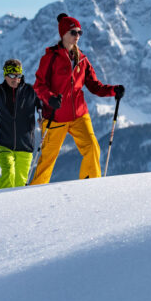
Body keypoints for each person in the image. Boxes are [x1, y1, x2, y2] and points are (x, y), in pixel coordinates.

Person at [29, 13, 124, 184]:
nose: (77, 36)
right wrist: (50, 99)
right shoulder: (50, 58)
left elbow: (95, 86)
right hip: (55, 116)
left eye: (79, 32)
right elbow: (39, 85)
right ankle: (34, 192)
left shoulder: (82, 60)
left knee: (92, 147)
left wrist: (113, 90)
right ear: (63, 34)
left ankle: (90, 186)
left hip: (79, 115)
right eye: (73, 32)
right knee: (47, 160)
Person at [0, 59, 40, 188]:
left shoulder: (30, 91)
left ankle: (18, 207)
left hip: (25, 144)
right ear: (5, 75)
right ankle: (2, 204)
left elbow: (42, 106)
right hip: (4, 142)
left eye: (18, 75)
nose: (16, 79)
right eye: (12, 76)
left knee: (20, 182)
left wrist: (43, 118)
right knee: (8, 173)